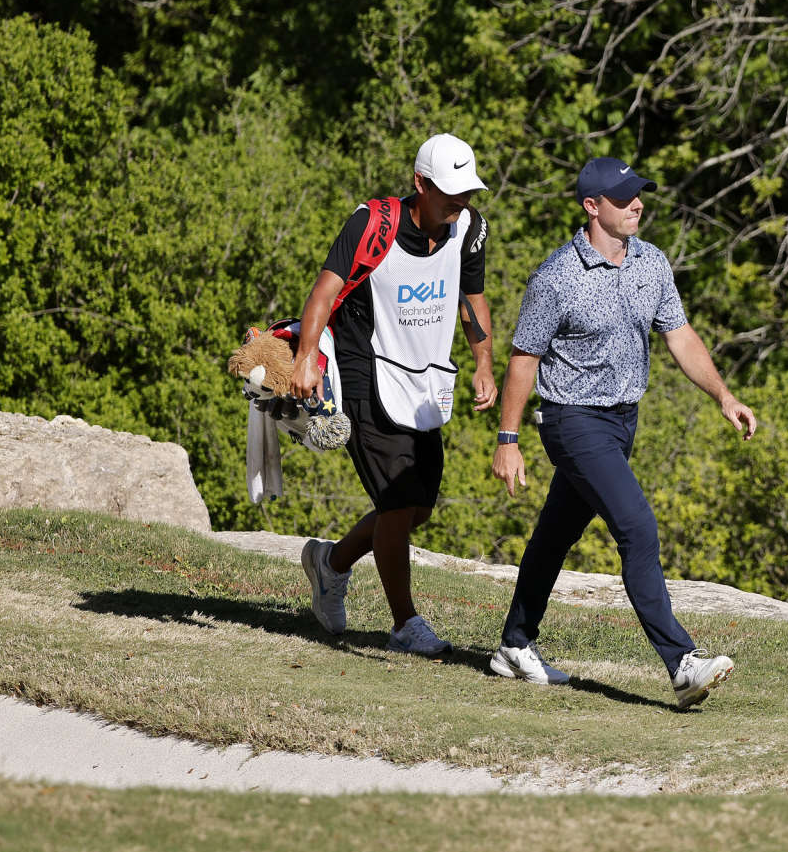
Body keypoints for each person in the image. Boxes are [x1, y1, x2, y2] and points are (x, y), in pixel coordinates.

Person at [488, 156, 757, 708]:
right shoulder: (557, 277)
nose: (637, 204)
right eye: (623, 197)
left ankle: (514, 645)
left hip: (621, 421)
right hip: (571, 419)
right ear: (592, 207)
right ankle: (682, 664)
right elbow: (523, 361)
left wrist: (723, 396)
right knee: (636, 525)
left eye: (638, 195)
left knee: (556, 534)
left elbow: (680, 335)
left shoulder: (652, 264)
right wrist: (507, 439)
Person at [293, 133, 498, 655]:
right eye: (449, 192)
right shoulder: (372, 223)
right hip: (367, 369)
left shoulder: (468, 229)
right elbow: (326, 289)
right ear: (419, 183)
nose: (460, 203)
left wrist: (483, 363)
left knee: (417, 505)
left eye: (467, 192)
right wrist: (305, 357)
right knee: (398, 501)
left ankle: (331, 563)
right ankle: (406, 623)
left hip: (425, 377)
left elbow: (471, 298)